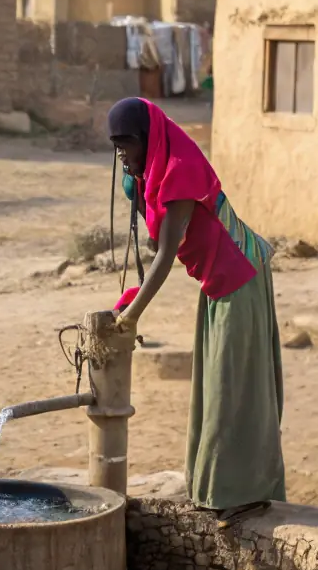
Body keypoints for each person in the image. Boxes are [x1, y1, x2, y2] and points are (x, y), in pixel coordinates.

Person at [106, 96, 285, 526]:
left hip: (240, 275)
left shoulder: (180, 172)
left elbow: (166, 254)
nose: (121, 154)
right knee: (214, 387)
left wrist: (132, 317)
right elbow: (151, 235)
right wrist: (134, 181)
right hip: (217, 282)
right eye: (115, 146)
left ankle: (243, 492)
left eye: (127, 143)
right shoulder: (151, 174)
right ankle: (219, 487)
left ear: (147, 138)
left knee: (232, 387)